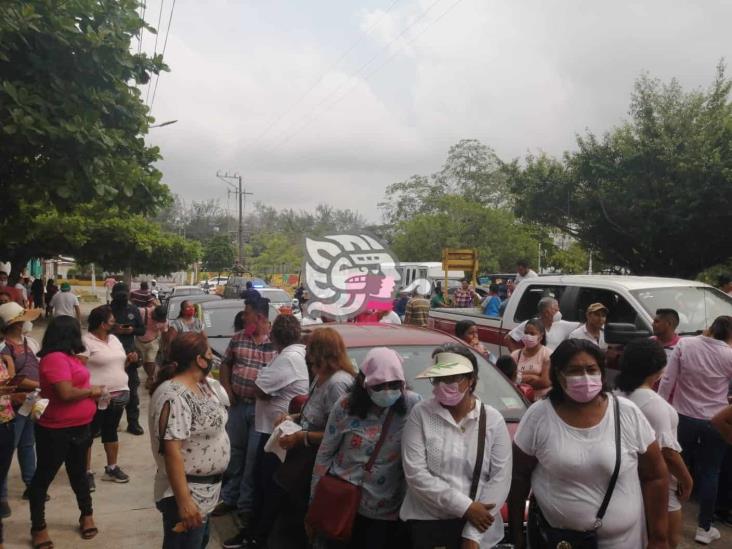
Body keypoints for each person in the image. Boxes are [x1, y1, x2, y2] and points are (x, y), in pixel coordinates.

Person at [508, 338, 670, 549]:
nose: (584, 377)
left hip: (623, 542)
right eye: (574, 370)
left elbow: (655, 475)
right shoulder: (538, 416)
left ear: (602, 372)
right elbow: (519, 476)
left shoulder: (626, 413)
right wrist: (516, 533)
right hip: (557, 541)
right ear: (558, 374)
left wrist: (659, 537)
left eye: (591, 369)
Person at [400, 345, 512, 548]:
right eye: (438, 379)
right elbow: (416, 474)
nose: (443, 385)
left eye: (452, 379)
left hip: (480, 528)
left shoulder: (492, 420)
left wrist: (472, 535)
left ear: (471, 381)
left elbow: (500, 479)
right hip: (429, 526)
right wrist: (466, 507)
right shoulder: (422, 414)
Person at [310, 347, 421, 548]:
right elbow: (324, 454)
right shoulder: (345, 407)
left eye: (394, 385)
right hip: (342, 503)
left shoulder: (412, 405)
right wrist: (314, 501)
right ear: (363, 382)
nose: (387, 391)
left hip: (386, 511)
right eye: (379, 386)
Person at [267, 327, 355, 549]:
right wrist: (292, 417)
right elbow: (311, 411)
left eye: (312, 352)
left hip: (317, 464)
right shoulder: (321, 377)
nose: (308, 358)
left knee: (299, 522)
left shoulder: (338, 384)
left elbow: (338, 433)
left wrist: (302, 437)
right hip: (301, 460)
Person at [227, 314, 309, 548]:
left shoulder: (289, 358)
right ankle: (257, 531)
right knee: (263, 483)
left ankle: (257, 536)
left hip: (276, 432)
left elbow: (260, 389)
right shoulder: (291, 355)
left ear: (274, 335)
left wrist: (262, 380)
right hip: (277, 428)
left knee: (264, 485)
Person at [28, 316, 104, 549]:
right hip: (56, 430)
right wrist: (93, 391)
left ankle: (86, 514)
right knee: (44, 477)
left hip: (81, 426)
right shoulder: (53, 359)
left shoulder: (69, 357)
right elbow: (65, 393)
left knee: (79, 474)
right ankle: (38, 526)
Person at [149, 332, 230, 549]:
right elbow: (172, 452)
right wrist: (184, 502)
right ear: (199, 360)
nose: (213, 358)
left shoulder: (205, 386)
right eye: (209, 354)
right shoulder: (174, 395)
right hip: (187, 494)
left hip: (207, 492)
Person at [658, 315, 732, 544]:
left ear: (710, 328)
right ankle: (704, 528)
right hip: (715, 421)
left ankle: (666, 514)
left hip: (683, 417)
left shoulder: (685, 344)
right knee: (711, 472)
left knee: (675, 467)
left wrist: (660, 409)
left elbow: (668, 379)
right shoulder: (729, 354)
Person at [616, 338, 693, 548]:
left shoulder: (617, 395)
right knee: (666, 540)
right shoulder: (653, 403)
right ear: (658, 367)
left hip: (631, 479)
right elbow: (667, 452)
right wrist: (686, 479)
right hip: (661, 486)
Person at [214, 297, 276, 526]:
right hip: (239, 406)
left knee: (252, 458)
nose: (243, 316)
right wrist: (227, 390)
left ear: (259, 317)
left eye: (246, 313)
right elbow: (225, 364)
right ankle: (229, 497)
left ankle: (246, 505)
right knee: (234, 454)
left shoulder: (276, 343)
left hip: (262, 411)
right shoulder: (239, 338)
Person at [80, 305, 132, 490]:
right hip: (95, 397)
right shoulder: (86, 342)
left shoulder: (115, 340)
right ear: (102, 324)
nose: (114, 323)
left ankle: (111, 468)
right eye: (111, 321)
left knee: (111, 431)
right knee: (89, 434)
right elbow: (79, 370)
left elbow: (118, 365)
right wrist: (91, 389)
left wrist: (130, 360)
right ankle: (85, 472)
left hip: (118, 395)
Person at [0, 303, 42, 509]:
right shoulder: (4, 348)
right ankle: (2, 497)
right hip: (12, 404)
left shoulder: (27, 342)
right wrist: (41, 385)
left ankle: (31, 484)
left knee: (27, 444)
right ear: (14, 323)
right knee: (7, 450)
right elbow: (11, 377)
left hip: (29, 401)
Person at [109, 282, 146, 436]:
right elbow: (94, 330)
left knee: (132, 392)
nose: (123, 298)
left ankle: (133, 423)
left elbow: (142, 330)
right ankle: (107, 424)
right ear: (112, 295)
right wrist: (113, 329)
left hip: (130, 357)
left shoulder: (133, 310)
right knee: (108, 392)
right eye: (120, 295)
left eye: (125, 295)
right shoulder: (106, 311)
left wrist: (131, 330)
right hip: (109, 358)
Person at [506, 297, 576, 351]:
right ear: (546, 312)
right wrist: (517, 357)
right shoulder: (530, 324)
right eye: (555, 309)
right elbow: (508, 338)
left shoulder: (562, 325)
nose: (558, 311)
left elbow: (582, 326)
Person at [510, 318, 552, 400]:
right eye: (526, 333)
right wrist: (534, 377)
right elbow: (510, 379)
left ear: (541, 336)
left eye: (532, 334)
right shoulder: (515, 355)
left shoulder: (547, 354)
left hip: (541, 400)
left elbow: (545, 382)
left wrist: (519, 378)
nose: (528, 336)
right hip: (520, 400)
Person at [136, 304, 168, 387]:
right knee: (144, 362)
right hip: (139, 342)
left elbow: (164, 332)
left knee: (150, 360)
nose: (158, 320)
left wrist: (164, 345)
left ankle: (150, 378)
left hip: (153, 342)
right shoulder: (143, 312)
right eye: (157, 318)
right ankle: (151, 376)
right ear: (154, 312)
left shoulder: (163, 321)